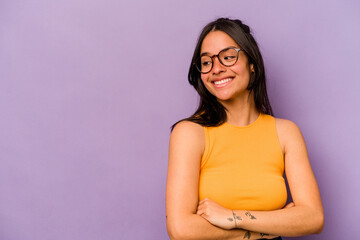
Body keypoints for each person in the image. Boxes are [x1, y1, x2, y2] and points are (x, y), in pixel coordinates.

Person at [165, 18, 324, 240]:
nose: (216, 69)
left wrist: (233, 217)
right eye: (206, 62)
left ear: (252, 63)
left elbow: (313, 218)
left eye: (228, 57)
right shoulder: (190, 133)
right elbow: (181, 230)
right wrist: (275, 225)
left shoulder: (286, 132)